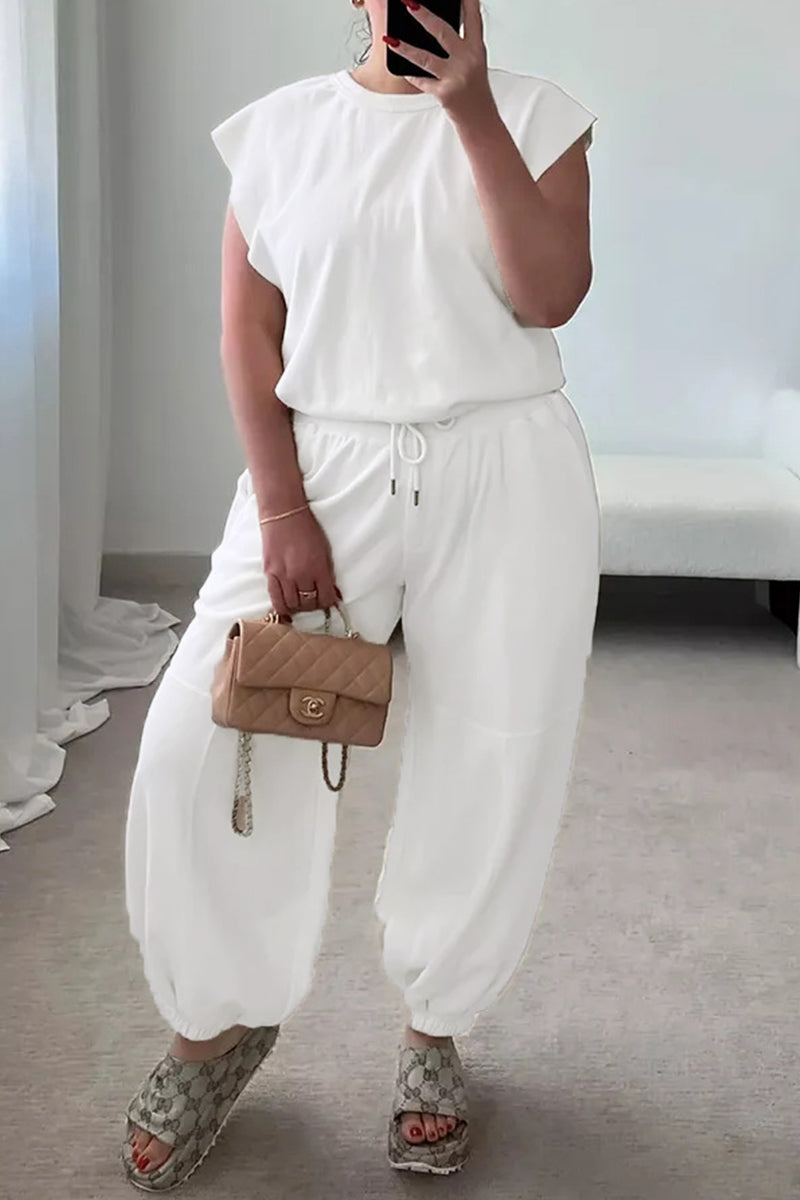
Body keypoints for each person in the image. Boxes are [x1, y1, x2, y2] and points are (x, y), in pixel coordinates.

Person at [120, 0, 601, 1188]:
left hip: (506, 467)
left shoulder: (538, 118)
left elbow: (548, 297)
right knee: (198, 742)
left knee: (493, 752)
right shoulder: (277, 131)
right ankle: (215, 1023)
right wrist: (282, 509)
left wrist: (470, 112)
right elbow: (248, 333)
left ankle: (436, 1024)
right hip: (323, 468)